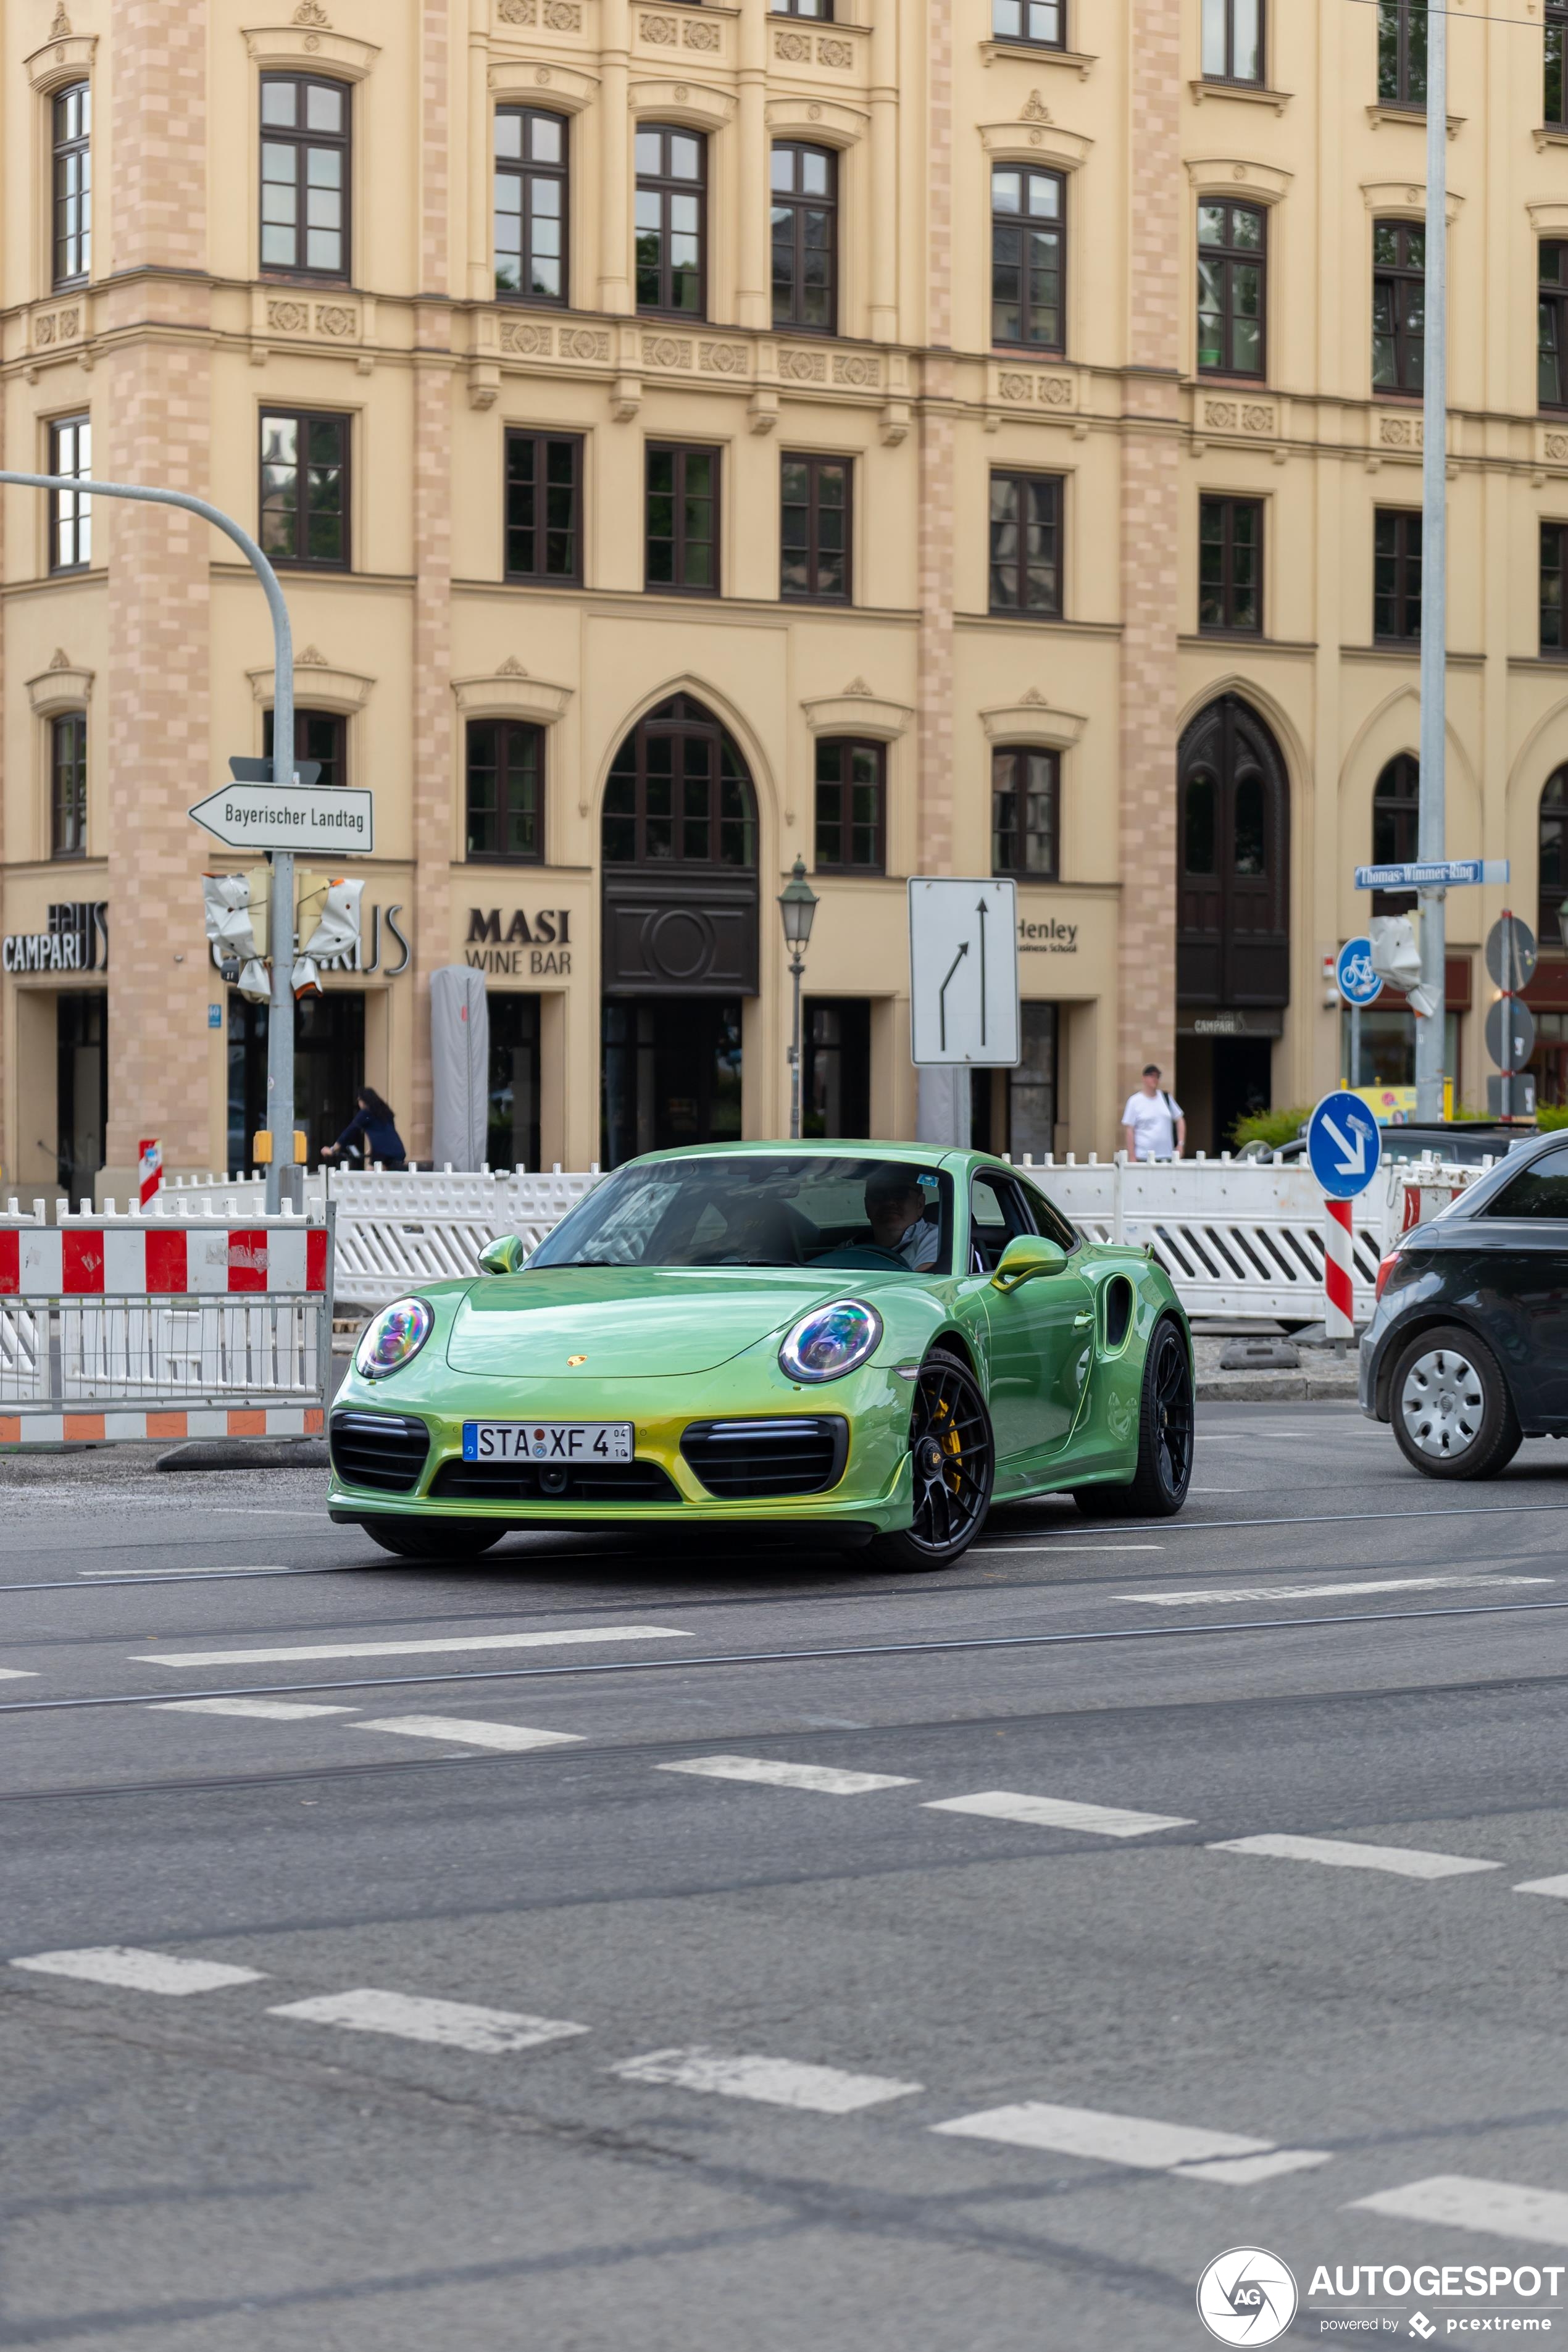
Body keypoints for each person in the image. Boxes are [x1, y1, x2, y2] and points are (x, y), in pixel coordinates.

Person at [864, 1165, 941, 1270]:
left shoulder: (936, 1239)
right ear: (867, 1206)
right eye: (878, 1194)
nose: (889, 1202)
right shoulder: (850, 1246)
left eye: (900, 1193)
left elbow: (923, 1283)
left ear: (920, 1204)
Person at [320, 1087, 408, 1170]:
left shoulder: (365, 1114)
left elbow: (349, 1132)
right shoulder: (386, 1113)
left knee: (367, 1179)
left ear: (364, 1101)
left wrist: (332, 1149)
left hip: (381, 1154)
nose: (359, 1103)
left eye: (359, 1100)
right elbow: (383, 1133)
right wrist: (372, 1149)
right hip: (398, 1151)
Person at [1122, 1065, 1185, 1162]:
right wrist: (1132, 1156)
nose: (1155, 1079)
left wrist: (1180, 1145)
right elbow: (1130, 1130)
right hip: (1144, 1157)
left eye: (1157, 1076)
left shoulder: (1166, 1098)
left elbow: (1180, 1119)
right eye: (1151, 1076)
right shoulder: (1135, 1101)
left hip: (1166, 1156)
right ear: (1144, 1078)